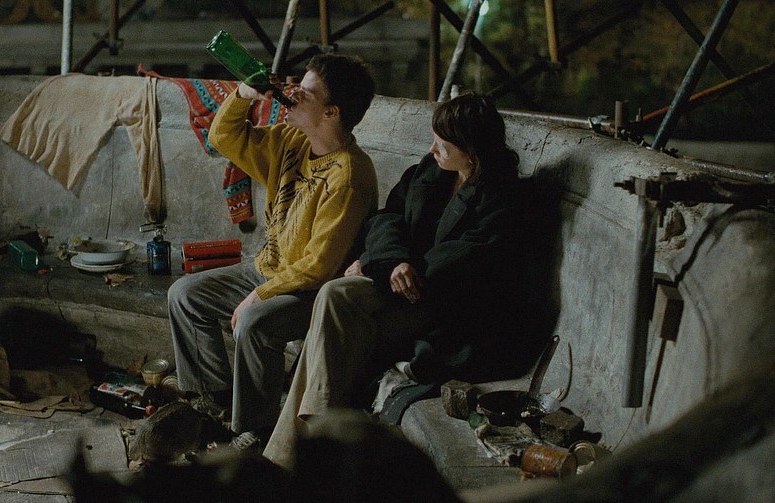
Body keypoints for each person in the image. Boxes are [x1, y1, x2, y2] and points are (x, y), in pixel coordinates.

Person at [263, 93, 536, 468]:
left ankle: (297, 448)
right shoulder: (432, 170)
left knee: (336, 310)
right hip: (396, 281)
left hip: (441, 306)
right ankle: (309, 437)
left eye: (443, 145)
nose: (433, 149)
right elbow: (386, 218)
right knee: (333, 303)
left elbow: (464, 260)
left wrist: (390, 268)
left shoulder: (503, 198)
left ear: (472, 155)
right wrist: (390, 262)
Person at [168, 53, 378, 452]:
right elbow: (223, 138)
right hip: (270, 269)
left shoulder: (349, 174)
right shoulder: (291, 141)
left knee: (254, 323)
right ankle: (213, 401)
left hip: (313, 292)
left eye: (307, 92)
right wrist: (244, 96)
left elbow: (319, 266)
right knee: (185, 295)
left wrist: (259, 295)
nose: (292, 93)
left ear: (331, 112)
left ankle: (253, 429)